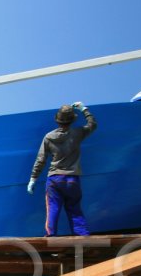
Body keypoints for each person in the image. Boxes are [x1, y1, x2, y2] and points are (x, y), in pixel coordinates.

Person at [27, 101, 97, 236]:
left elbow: (41, 160)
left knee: (53, 208)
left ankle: (51, 237)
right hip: (72, 179)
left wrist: (33, 179)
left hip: (54, 179)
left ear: (57, 120)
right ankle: (82, 237)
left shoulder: (48, 137)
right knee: (74, 209)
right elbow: (92, 125)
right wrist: (84, 109)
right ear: (72, 120)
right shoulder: (78, 133)